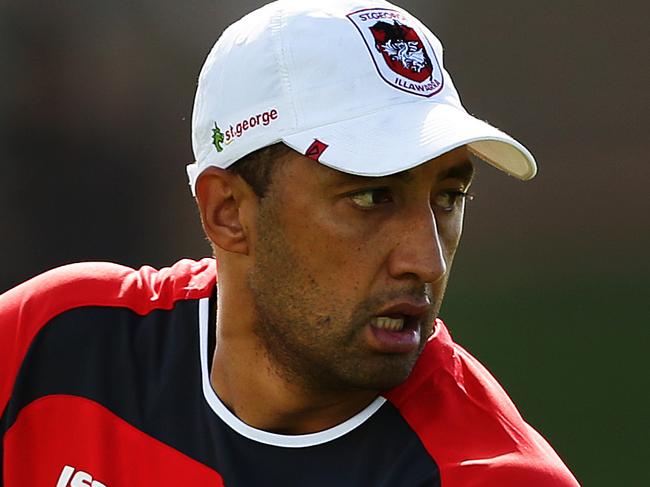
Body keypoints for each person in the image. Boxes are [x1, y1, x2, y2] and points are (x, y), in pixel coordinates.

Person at [0, 0, 580, 485]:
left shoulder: (492, 476)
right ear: (227, 212)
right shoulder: (50, 344)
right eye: (372, 197)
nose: (425, 260)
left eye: (448, 198)